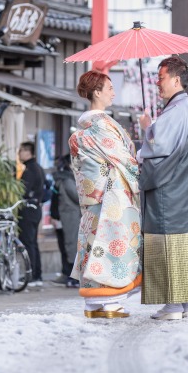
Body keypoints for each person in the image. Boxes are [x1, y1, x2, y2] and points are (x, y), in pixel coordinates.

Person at [137, 55, 188, 320]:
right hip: (183, 191)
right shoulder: (184, 109)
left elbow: (158, 147)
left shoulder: (176, 111)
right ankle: (185, 303)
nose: (157, 82)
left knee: (168, 242)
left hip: (170, 192)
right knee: (183, 242)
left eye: (161, 77)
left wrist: (147, 128)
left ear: (176, 80)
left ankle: (174, 304)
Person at [69, 70, 142, 318]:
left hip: (95, 200)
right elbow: (124, 159)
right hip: (112, 197)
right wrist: (141, 156)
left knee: (93, 246)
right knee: (112, 246)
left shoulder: (90, 126)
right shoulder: (101, 125)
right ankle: (110, 301)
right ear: (96, 92)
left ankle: (93, 304)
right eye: (109, 88)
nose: (113, 92)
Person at [18, 141, 45, 287]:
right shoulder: (38, 168)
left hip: (28, 209)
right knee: (33, 242)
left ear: (29, 152)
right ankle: (37, 275)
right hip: (37, 208)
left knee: (28, 243)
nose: (19, 153)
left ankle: (32, 276)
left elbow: (22, 191)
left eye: (21, 150)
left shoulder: (29, 170)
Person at [50, 155, 81, 288]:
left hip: (66, 217)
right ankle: (71, 276)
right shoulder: (68, 180)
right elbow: (78, 197)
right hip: (68, 217)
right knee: (69, 246)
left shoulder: (64, 178)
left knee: (68, 246)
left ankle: (70, 275)